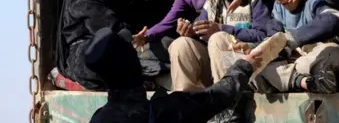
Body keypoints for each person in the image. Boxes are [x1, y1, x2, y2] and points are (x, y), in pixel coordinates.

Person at [209, 0, 339, 95]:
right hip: (292, 63)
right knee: (255, 62)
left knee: (330, 52)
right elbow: (272, 41)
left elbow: (335, 19)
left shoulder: (314, 1)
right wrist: (253, 47)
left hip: (314, 59)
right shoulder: (278, 8)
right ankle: (303, 82)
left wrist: (291, 38)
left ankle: (294, 80)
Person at [86, 27, 263, 123]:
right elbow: (218, 96)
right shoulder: (162, 111)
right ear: (132, 66)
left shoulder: (100, 118)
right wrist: (244, 65)